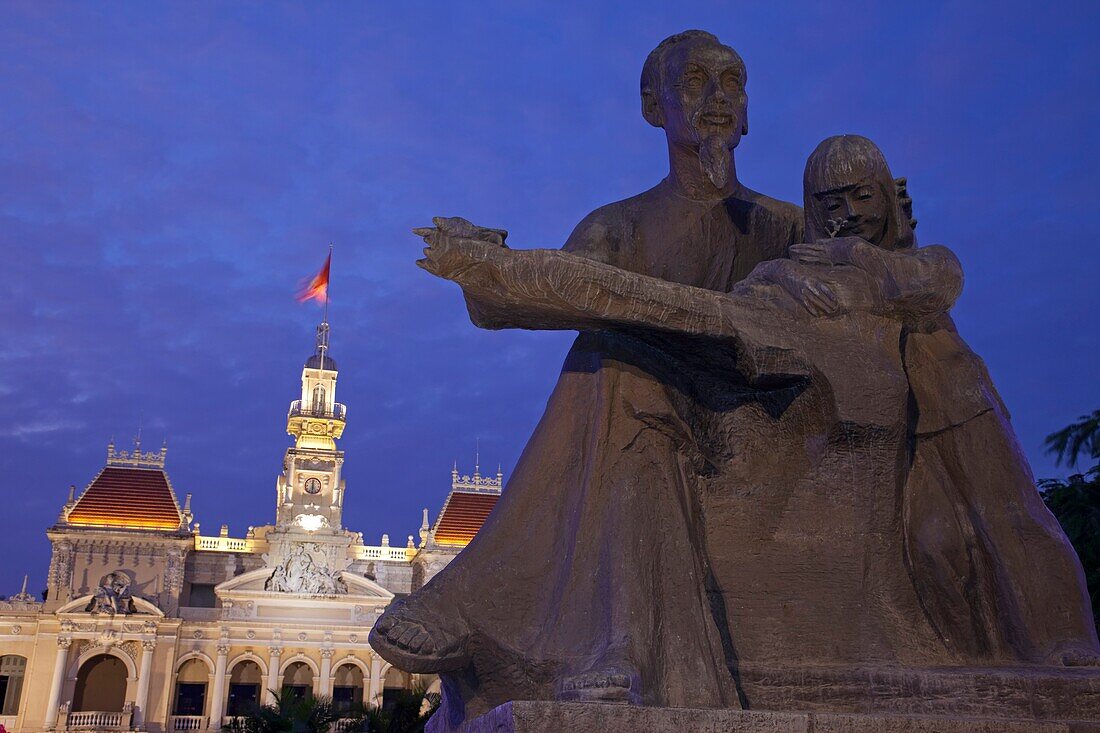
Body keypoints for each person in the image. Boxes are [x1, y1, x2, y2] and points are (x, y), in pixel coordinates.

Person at [371, 30, 811, 720]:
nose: (718, 97)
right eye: (694, 82)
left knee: (615, 362)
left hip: (751, 421)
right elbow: (534, 301)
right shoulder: (618, 226)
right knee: (611, 360)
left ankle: (512, 616)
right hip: (647, 417)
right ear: (652, 106)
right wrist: (486, 276)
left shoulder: (787, 228)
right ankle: (615, 645)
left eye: (733, 82)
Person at [791, 135, 1099, 667]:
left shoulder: (928, 261)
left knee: (1011, 521)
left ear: (888, 195)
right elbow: (763, 289)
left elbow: (921, 288)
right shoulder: (819, 274)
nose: (850, 214)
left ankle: (1064, 640)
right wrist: (783, 273)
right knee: (929, 544)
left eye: (863, 196)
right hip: (894, 427)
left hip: (961, 408)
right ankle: (973, 660)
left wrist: (851, 254)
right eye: (832, 204)